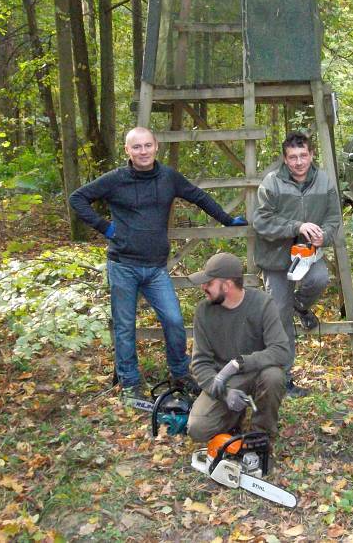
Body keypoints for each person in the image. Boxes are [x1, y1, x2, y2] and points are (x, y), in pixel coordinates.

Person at [69, 127, 246, 402]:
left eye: (147, 145)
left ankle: (180, 374)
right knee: (125, 328)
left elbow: (198, 196)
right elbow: (77, 198)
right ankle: (130, 384)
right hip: (123, 265)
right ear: (127, 150)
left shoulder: (168, 177)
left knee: (174, 321)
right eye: (136, 147)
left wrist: (227, 219)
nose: (143, 151)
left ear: (156, 147)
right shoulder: (116, 179)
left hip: (155, 269)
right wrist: (105, 227)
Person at [252, 131, 341, 397]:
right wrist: (296, 226)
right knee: (280, 316)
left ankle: (300, 306)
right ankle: (284, 378)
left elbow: (334, 218)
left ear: (311, 155)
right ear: (285, 158)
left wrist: (325, 235)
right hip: (276, 258)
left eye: (303, 155)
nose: (299, 162)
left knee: (320, 279)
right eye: (293, 157)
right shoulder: (272, 183)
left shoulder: (324, 181)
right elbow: (261, 221)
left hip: (307, 254)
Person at [186, 252, 290, 441]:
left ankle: (261, 434)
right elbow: (200, 364)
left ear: (227, 285)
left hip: (257, 373)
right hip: (223, 380)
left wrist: (240, 363)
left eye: (209, 283)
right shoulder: (203, 312)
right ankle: (235, 414)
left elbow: (281, 350)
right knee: (198, 430)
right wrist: (225, 394)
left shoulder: (262, 303)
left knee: (274, 376)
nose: (203, 287)